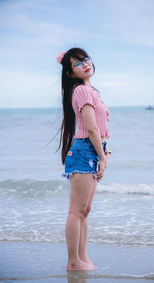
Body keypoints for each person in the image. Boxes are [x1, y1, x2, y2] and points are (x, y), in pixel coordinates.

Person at [56, 48, 111, 271]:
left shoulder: (91, 90)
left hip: (95, 151)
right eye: (78, 63)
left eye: (86, 59)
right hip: (84, 152)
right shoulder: (81, 91)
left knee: (85, 211)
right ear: (70, 73)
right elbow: (91, 128)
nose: (85, 64)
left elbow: (102, 130)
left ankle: (82, 257)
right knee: (76, 211)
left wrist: (106, 153)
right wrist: (102, 157)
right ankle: (73, 261)